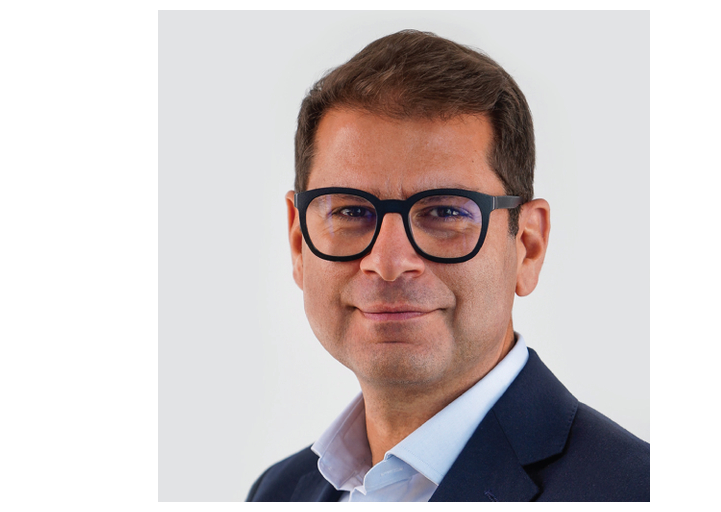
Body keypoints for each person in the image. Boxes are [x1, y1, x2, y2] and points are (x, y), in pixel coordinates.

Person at [247, 29, 649, 502]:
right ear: (299, 243)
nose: (388, 263)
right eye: (351, 212)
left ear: (528, 246)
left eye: (445, 212)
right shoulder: (276, 493)